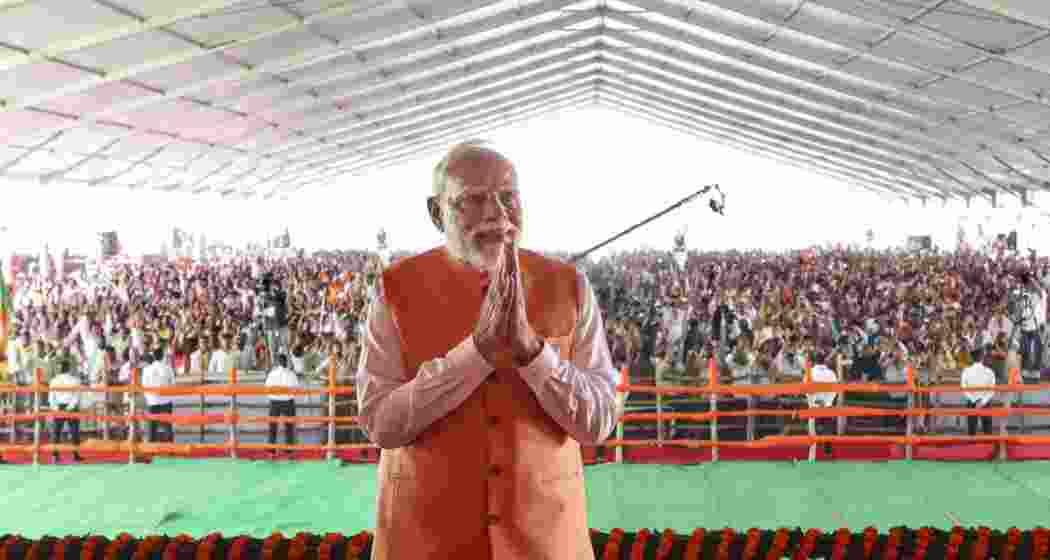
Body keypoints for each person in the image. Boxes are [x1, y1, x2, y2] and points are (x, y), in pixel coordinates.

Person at [357, 140, 620, 560]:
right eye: (473, 200)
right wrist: (475, 354)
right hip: (424, 543)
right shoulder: (395, 290)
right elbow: (380, 423)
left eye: (508, 197)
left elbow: (599, 422)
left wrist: (533, 353)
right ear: (436, 212)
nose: (496, 214)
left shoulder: (570, 286)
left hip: (546, 544)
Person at [265, 354, 299, 458]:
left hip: (274, 401)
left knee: (272, 427)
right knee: (289, 427)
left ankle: (271, 452)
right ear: (286, 362)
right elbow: (296, 388)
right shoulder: (291, 374)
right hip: (288, 401)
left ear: (277, 363)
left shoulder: (272, 374)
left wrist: (272, 396)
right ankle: (289, 452)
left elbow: (267, 388)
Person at [48, 368, 84, 463]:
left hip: (58, 406)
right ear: (69, 369)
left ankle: (54, 456)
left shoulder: (54, 380)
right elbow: (76, 396)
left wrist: (55, 408)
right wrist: (69, 407)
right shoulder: (75, 380)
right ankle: (76, 456)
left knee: (56, 432)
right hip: (71, 407)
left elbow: (51, 397)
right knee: (74, 432)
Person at [142, 348, 175, 443]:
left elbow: (144, 386)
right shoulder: (168, 368)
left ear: (153, 356)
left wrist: (149, 398)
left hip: (152, 401)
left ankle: (151, 449)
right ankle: (170, 448)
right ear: (162, 356)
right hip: (166, 401)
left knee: (152, 427)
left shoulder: (146, 369)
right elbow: (173, 384)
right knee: (167, 426)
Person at [961, 346, 996, 437]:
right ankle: (988, 444)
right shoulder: (990, 372)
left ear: (972, 358)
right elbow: (992, 390)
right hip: (985, 403)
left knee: (971, 430)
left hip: (972, 402)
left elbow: (964, 388)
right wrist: (982, 401)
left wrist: (974, 400)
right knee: (988, 431)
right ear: (982, 357)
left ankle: (971, 445)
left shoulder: (966, 371)